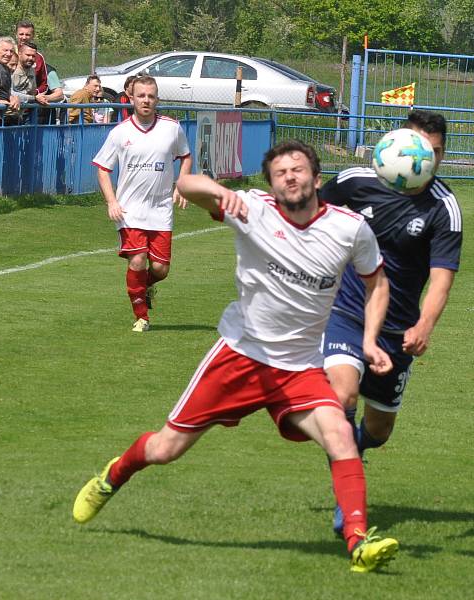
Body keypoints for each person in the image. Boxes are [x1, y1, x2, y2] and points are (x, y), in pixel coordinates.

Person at [72, 139, 400, 573]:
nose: (290, 177)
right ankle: (114, 475)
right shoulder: (252, 209)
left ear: (317, 178)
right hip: (240, 357)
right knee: (167, 448)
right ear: (271, 184)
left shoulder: (349, 227)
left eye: (298, 169)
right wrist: (216, 190)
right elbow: (185, 182)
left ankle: (359, 542)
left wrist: (371, 340)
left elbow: (377, 284)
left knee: (340, 434)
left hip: (300, 368)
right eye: (280, 172)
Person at [319, 110, 463, 534]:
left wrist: (425, 326)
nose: (423, 161)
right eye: (417, 149)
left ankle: (354, 452)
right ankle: (351, 499)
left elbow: (441, 279)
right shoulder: (354, 182)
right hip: (347, 312)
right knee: (342, 395)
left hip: (398, 330)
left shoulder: (444, 208)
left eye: (433, 153)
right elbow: (308, 216)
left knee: (379, 430)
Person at [91, 76, 192, 332]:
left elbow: (186, 156)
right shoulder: (120, 132)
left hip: (160, 209)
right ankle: (142, 317)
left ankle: (142, 288)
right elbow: (103, 168)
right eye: (141, 96)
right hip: (130, 211)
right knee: (137, 261)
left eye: (151, 96)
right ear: (132, 98)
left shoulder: (171, 128)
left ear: (157, 99)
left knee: (160, 269)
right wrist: (111, 201)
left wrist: (181, 183)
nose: (146, 100)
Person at [15, 20, 48, 95]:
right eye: (21, 34)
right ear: (16, 34)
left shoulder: (39, 58)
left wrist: (34, 93)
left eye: (27, 35)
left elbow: (44, 85)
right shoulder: (8, 54)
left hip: (31, 101)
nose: (24, 37)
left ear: (33, 36)